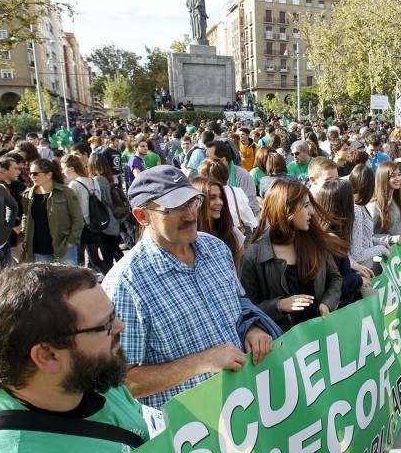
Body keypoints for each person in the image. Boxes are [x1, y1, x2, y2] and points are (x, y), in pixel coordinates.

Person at [102, 166, 281, 409]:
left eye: (192, 202)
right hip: (190, 435)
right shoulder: (126, 283)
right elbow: (121, 383)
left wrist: (253, 328)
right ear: (142, 216)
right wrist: (201, 363)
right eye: (174, 208)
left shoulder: (216, 249)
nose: (189, 215)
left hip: (243, 406)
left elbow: (238, 303)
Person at [0, 264, 149, 453]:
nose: (121, 326)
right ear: (47, 355)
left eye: (114, 315)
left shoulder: (95, 374)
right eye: (107, 325)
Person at [240, 177, 344, 331]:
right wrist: (279, 305)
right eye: (306, 206)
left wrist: (327, 303)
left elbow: (335, 277)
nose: (312, 212)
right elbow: (247, 307)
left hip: (322, 337)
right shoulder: (254, 256)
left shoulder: (315, 242)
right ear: (286, 210)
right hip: (286, 346)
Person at [313, 179, 368, 306]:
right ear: (344, 206)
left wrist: (355, 273)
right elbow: (335, 284)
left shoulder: (326, 235)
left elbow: (342, 272)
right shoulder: (331, 241)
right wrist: (358, 280)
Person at [20, 159, 84, 264]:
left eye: (35, 173)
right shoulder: (27, 195)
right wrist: (24, 236)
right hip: (38, 250)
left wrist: (70, 242)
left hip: (63, 248)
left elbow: (78, 219)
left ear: (49, 175)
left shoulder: (66, 192)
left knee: (68, 280)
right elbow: (26, 217)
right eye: (30, 173)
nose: (32, 176)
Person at [190, 176, 244, 274]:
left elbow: (238, 275)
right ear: (197, 202)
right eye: (212, 198)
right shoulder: (186, 238)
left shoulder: (233, 234)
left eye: (221, 197)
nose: (219, 202)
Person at [198, 158, 258, 237]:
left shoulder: (201, 194)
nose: (219, 202)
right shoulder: (236, 191)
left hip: (219, 236)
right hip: (235, 236)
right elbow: (250, 220)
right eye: (213, 197)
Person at [348, 164, 389, 271]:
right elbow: (357, 254)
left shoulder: (359, 206)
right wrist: (381, 249)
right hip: (360, 271)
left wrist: (380, 242)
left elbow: (364, 238)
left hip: (364, 268)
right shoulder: (356, 209)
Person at [88, 153, 124, 270]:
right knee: (110, 249)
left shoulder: (97, 180)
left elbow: (100, 200)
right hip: (113, 217)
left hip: (105, 219)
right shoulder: (109, 177)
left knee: (111, 249)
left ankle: (120, 271)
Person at [370, 161, 401, 251]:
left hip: (399, 253)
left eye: (399, 174)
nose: (398, 178)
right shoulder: (375, 204)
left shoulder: (400, 198)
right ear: (383, 178)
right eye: (393, 176)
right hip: (382, 257)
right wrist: (391, 239)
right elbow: (368, 236)